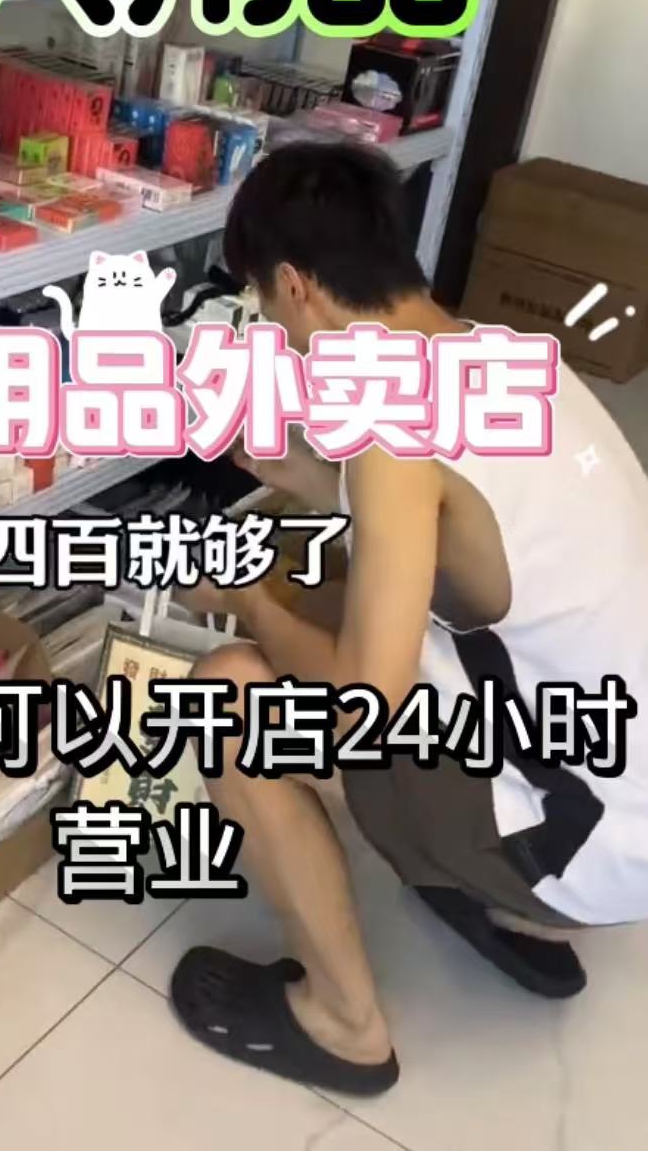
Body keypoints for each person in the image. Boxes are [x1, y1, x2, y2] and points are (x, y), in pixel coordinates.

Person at [170, 140, 648, 1097]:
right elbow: (453, 530)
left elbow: (364, 704)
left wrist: (250, 602)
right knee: (339, 599)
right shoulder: (501, 357)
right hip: (622, 786)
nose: (273, 327)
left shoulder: (395, 434)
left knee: (227, 693)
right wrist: (300, 473)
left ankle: (344, 1025)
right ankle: (494, 904)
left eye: (264, 302)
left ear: (296, 286)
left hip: (589, 841)